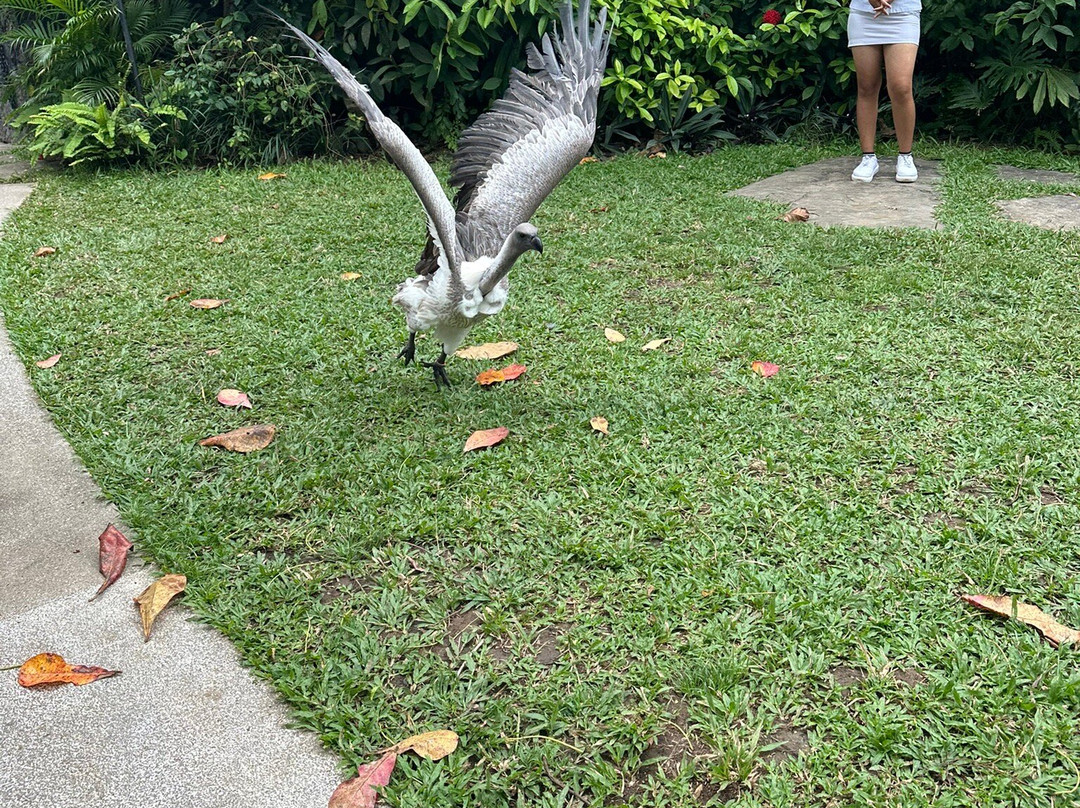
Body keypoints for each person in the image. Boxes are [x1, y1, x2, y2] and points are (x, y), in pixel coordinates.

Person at [847, 0, 921, 183]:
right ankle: (868, 158)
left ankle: (905, 156)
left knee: (901, 87)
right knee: (867, 86)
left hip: (904, 13)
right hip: (863, 14)